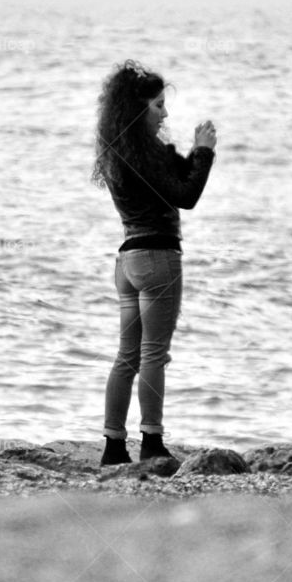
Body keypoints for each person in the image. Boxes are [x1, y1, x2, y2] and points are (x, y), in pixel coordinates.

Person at [90, 60, 217, 465]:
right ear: (137, 108)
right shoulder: (143, 155)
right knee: (153, 355)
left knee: (126, 356)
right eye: (158, 105)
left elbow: (171, 179)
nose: (165, 112)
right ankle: (152, 443)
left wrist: (191, 153)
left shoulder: (120, 152)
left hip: (126, 261)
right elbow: (186, 194)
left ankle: (112, 447)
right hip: (158, 258)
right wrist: (204, 152)